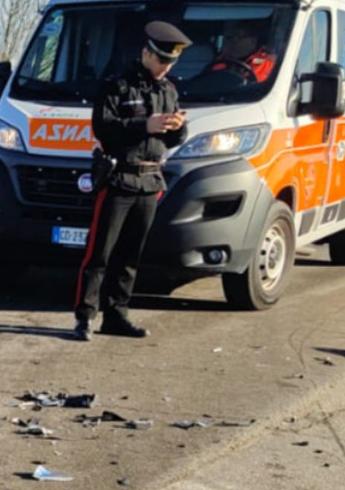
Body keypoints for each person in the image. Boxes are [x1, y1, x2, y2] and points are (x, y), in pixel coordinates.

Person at [74, 20, 189, 341]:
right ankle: (85, 317)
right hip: (119, 177)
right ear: (146, 53)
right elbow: (104, 127)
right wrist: (144, 125)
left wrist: (178, 126)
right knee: (99, 254)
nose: (166, 67)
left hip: (150, 179)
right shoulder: (117, 86)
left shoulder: (168, 90)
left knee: (130, 257)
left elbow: (172, 137)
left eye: (171, 62)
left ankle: (117, 315)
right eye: (162, 60)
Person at [207, 25, 275, 84]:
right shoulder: (221, 59)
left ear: (252, 41)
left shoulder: (265, 61)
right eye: (230, 37)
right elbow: (210, 79)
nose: (233, 40)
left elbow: (253, 83)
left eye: (238, 36)